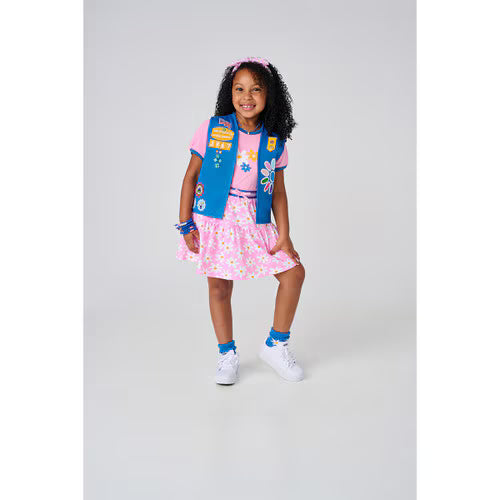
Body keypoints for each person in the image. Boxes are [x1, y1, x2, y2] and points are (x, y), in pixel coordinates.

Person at [175, 57, 306, 385]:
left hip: (254, 218)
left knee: (293, 273)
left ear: (268, 95)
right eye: (239, 89)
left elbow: (278, 192)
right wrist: (185, 222)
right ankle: (227, 354)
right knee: (219, 286)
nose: (247, 97)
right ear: (229, 93)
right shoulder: (213, 128)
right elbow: (190, 177)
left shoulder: (274, 140)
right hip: (215, 217)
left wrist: (285, 233)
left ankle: (276, 345)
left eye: (255, 90)